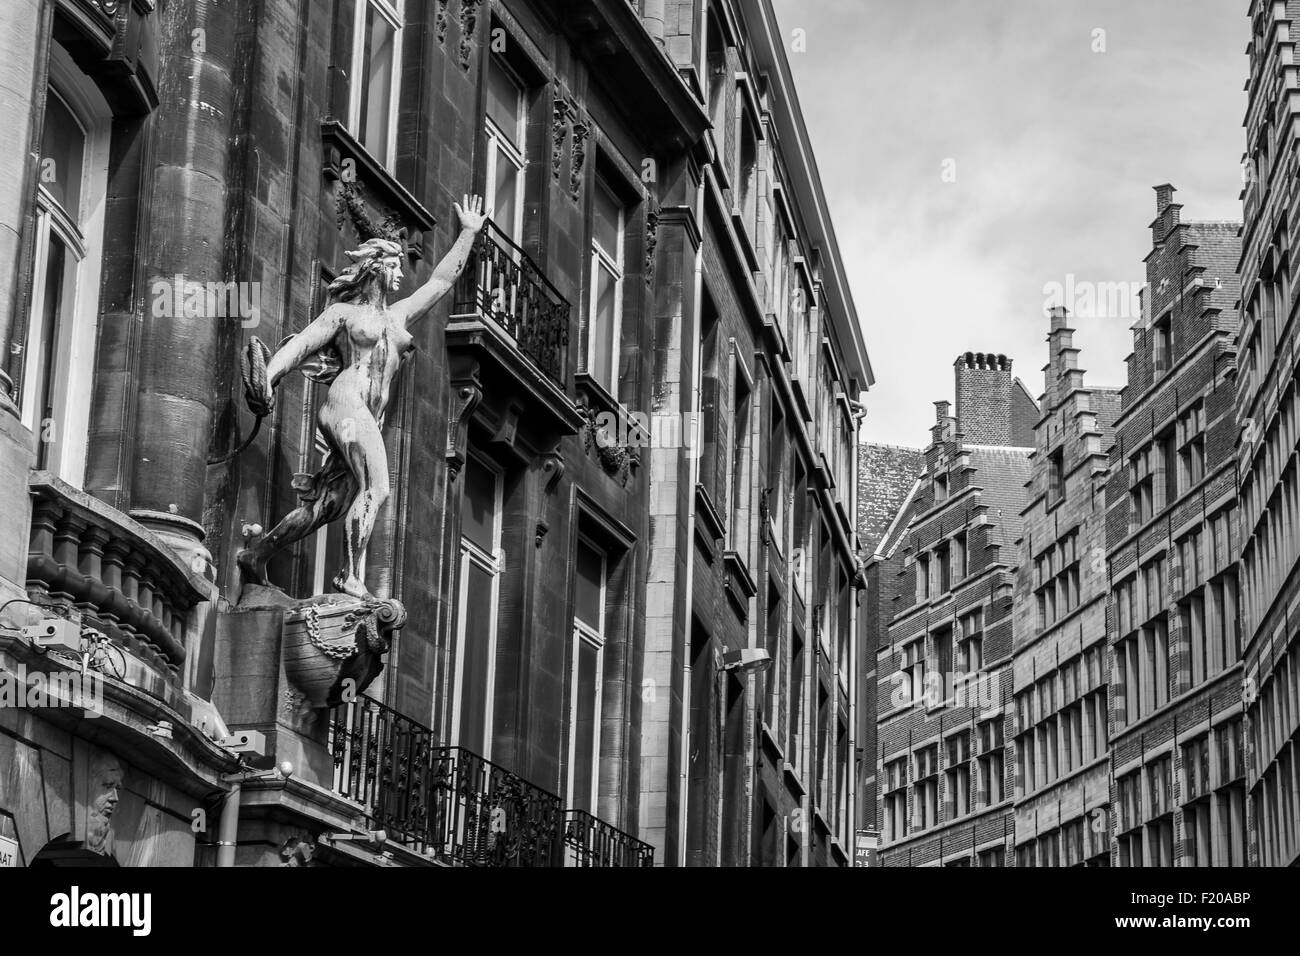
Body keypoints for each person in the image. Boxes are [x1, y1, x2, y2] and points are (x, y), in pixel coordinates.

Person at [237, 195, 487, 598]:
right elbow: (300, 346)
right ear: (374, 267)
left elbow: (441, 282)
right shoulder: (345, 315)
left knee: (327, 504)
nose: (400, 275)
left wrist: (468, 235)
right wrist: (267, 377)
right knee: (379, 488)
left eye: (401, 267)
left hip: (370, 416)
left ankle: (258, 554)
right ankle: (350, 576)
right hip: (347, 404)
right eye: (393, 266)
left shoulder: (399, 315)